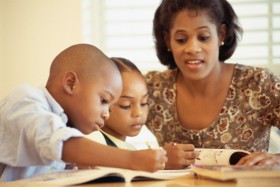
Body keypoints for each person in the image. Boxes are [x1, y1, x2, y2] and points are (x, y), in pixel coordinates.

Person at [0, 44, 167, 181]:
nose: (106, 114)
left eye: (109, 108)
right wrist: (132, 159)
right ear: (71, 83)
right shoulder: (25, 99)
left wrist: (72, 169)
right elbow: (59, 142)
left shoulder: (64, 123)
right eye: (103, 100)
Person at [145, 0, 280, 169]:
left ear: (221, 34)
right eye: (181, 39)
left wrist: (277, 160)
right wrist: (157, 157)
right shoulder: (152, 89)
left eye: (203, 37)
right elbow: (108, 138)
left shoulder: (258, 84)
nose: (193, 48)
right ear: (167, 40)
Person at [87, 57, 149, 150]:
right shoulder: (92, 140)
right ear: (102, 101)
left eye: (144, 103)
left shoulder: (130, 150)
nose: (139, 112)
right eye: (126, 105)